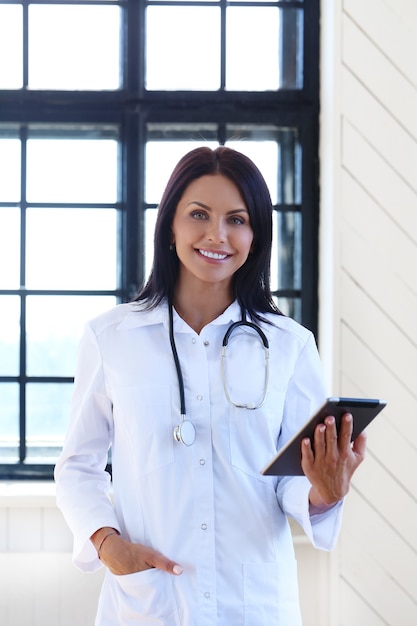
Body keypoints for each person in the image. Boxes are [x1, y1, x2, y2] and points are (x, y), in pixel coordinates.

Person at [55, 146, 367, 626]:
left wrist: (325, 492)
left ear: (255, 233)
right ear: (170, 225)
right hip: (148, 604)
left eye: (237, 219)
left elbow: (287, 480)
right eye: (198, 214)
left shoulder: (290, 346)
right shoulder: (111, 338)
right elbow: (78, 466)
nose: (216, 235)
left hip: (254, 604)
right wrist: (106, 543)